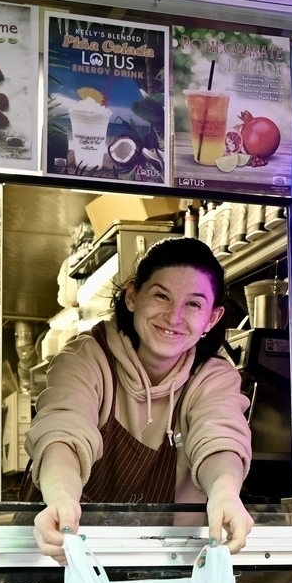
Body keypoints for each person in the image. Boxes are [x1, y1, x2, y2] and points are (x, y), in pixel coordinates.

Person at [27, 236, 254, 562]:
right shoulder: (88, 358)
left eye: (193, 304)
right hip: (65, 556)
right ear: (133, 295)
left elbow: (219, 438)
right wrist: (61, 499)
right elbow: (64, 430)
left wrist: (225, 492)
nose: (174, 317)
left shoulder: (213, 377)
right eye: (161, 295)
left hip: (164, 564)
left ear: (213, 318)